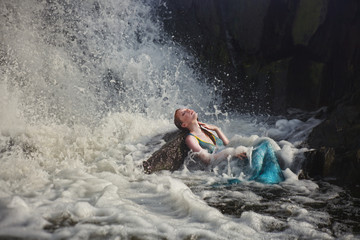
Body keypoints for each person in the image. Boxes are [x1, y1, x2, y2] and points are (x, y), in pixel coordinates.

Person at [174, 108, 285, 184]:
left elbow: (227, 144)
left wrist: (216, 129)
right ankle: (266, 180)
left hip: (234, 157)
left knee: (265, 143)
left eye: (186, 109)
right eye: (184, 114)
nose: (188, 110)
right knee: (265, 145)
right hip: (226, 165)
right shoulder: (190, 138)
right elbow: (207, 160)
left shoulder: (206, 131)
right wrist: (231, 152)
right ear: (184, 124)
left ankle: (267, 179)